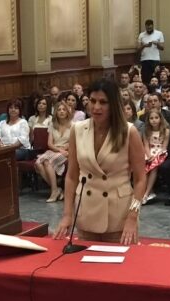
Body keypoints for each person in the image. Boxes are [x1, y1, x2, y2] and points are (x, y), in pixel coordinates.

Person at [54, 78, 146, 245]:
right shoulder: (78, 129)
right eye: (93, 101)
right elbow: (72, 176)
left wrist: (133, 216)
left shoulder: (129, 132)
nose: (96, 107)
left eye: (103, 102)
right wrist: (67, 215)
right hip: (86, 212)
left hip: (120, 216)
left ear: (113, 105)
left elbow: (140, 179)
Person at [35, 102, 72, 203]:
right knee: (38, 163)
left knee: (46, 162)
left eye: (63, 110)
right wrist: (59, 149)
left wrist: (65, 149)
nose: (61, 112)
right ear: (56, 112)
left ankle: (54, 191)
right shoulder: (52, 125)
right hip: (54, 150)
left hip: (67, 152)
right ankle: (56, 189)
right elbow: (50, 144)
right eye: (59, 110)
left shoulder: (73, 125)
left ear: (67, 112)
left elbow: (74, 142)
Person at [142, 110, 170, 204]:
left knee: (153, 168)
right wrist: (149, 155)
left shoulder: (166, 130)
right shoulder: (146, 131)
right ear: (148, 120)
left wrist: (156, 156)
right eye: (151, 118)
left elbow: (164, 147)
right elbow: (146, 146)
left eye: (156, 118)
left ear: (160, 119)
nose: (154, 120)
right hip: (149, 152)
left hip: (160, 153)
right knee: (144, 168)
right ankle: (144, 192)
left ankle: (147, 193)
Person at [137, 19, 165, 84]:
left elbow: (162, 48)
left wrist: (157, 43)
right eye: (147, 28)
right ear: (145, 27)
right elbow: (138, 49)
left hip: (155, 59)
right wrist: (144, 45)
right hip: (144, 59)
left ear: (153, 26)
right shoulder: (141, 35)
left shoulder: (159, 33)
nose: (149, 29)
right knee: (145, 78)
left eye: (150, 28)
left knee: (155, 78)